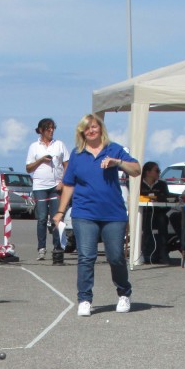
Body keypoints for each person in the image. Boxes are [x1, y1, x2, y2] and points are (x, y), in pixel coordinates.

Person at [52, 114, 140, 317]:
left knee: (116, 256)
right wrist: (60, 212)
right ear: (82, 132)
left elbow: (136, 169)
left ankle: (124, 293)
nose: (91, 131)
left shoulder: (114, 149)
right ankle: (84, 299)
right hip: (84, 212)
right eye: (87, 128)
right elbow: (69, 184)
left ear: (101, 129)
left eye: (94, 127)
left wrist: (117, 162)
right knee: (86, 256)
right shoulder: (77, 154)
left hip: (113, 213)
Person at [25, 118, 70, 263]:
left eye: (53, 129)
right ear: (41, 130)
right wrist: (41, 160)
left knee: (57, 218)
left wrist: (63, 182)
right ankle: (41, 248)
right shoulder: (34, 147)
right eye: (48, 129)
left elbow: (66, 164)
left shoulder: (59, 145)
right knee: (42, 218)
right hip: (40, 186)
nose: (51, 131)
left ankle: (57, 248)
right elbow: (28, 168)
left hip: (55, 185)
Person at [139, 161, 174, 264]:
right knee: (146, 224)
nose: (159, 173)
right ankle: (146, 253)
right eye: (157, 171)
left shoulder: (162, 184)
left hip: (159, 212)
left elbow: (167, 199)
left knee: (162, 221)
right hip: (144, 213)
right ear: (148, 172)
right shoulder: (139, 184)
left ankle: (163, 253)